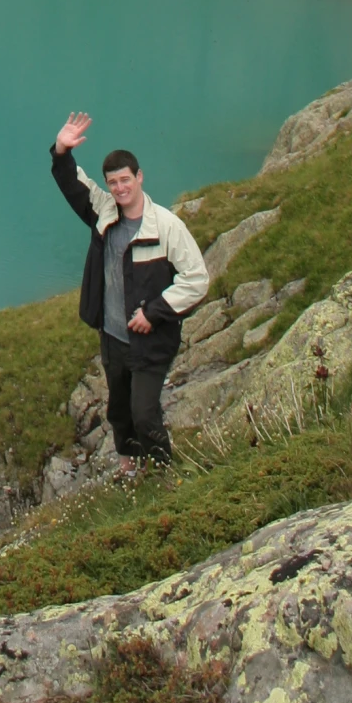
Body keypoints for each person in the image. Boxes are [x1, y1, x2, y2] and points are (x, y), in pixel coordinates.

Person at [50, 110, 208, 473]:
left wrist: (154, 312)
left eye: (125, 180)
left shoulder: (166, 226)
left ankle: (164, 474)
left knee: (144, 411)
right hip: (113, 336)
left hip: (150, 339)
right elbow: (74, 184)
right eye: (113, 182)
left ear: (139, 177)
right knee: (119, 408)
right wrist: (61, 151)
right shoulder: (104, 211)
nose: (120, 188)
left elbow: (196, 278)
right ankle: (127, 466)